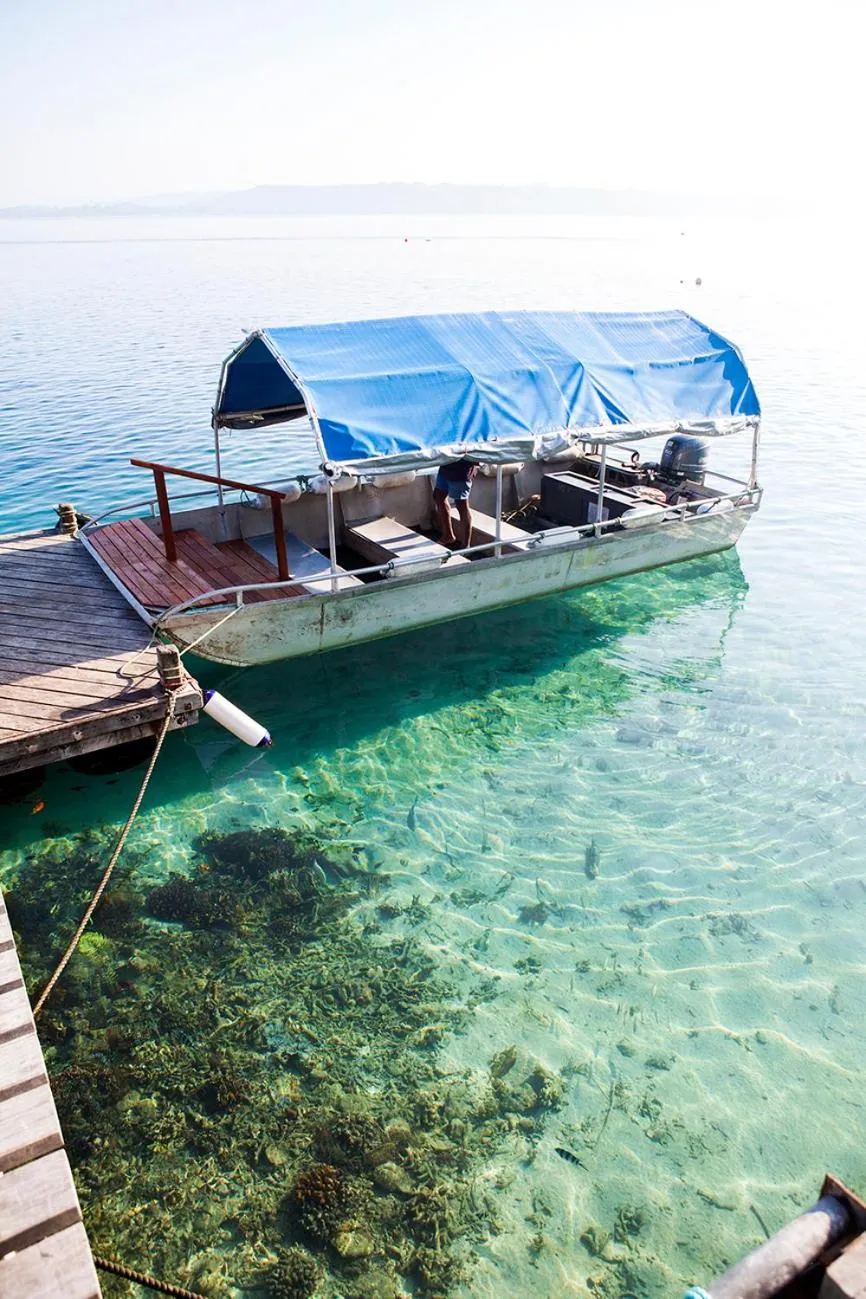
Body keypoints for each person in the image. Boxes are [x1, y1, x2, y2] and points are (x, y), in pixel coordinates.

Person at [433, 459, 477, 549]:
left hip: (461, 468)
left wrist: (475, 464)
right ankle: (448, 535)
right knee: (438, 496)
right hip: (446, 464)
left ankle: (466, 546)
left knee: (461, 505)